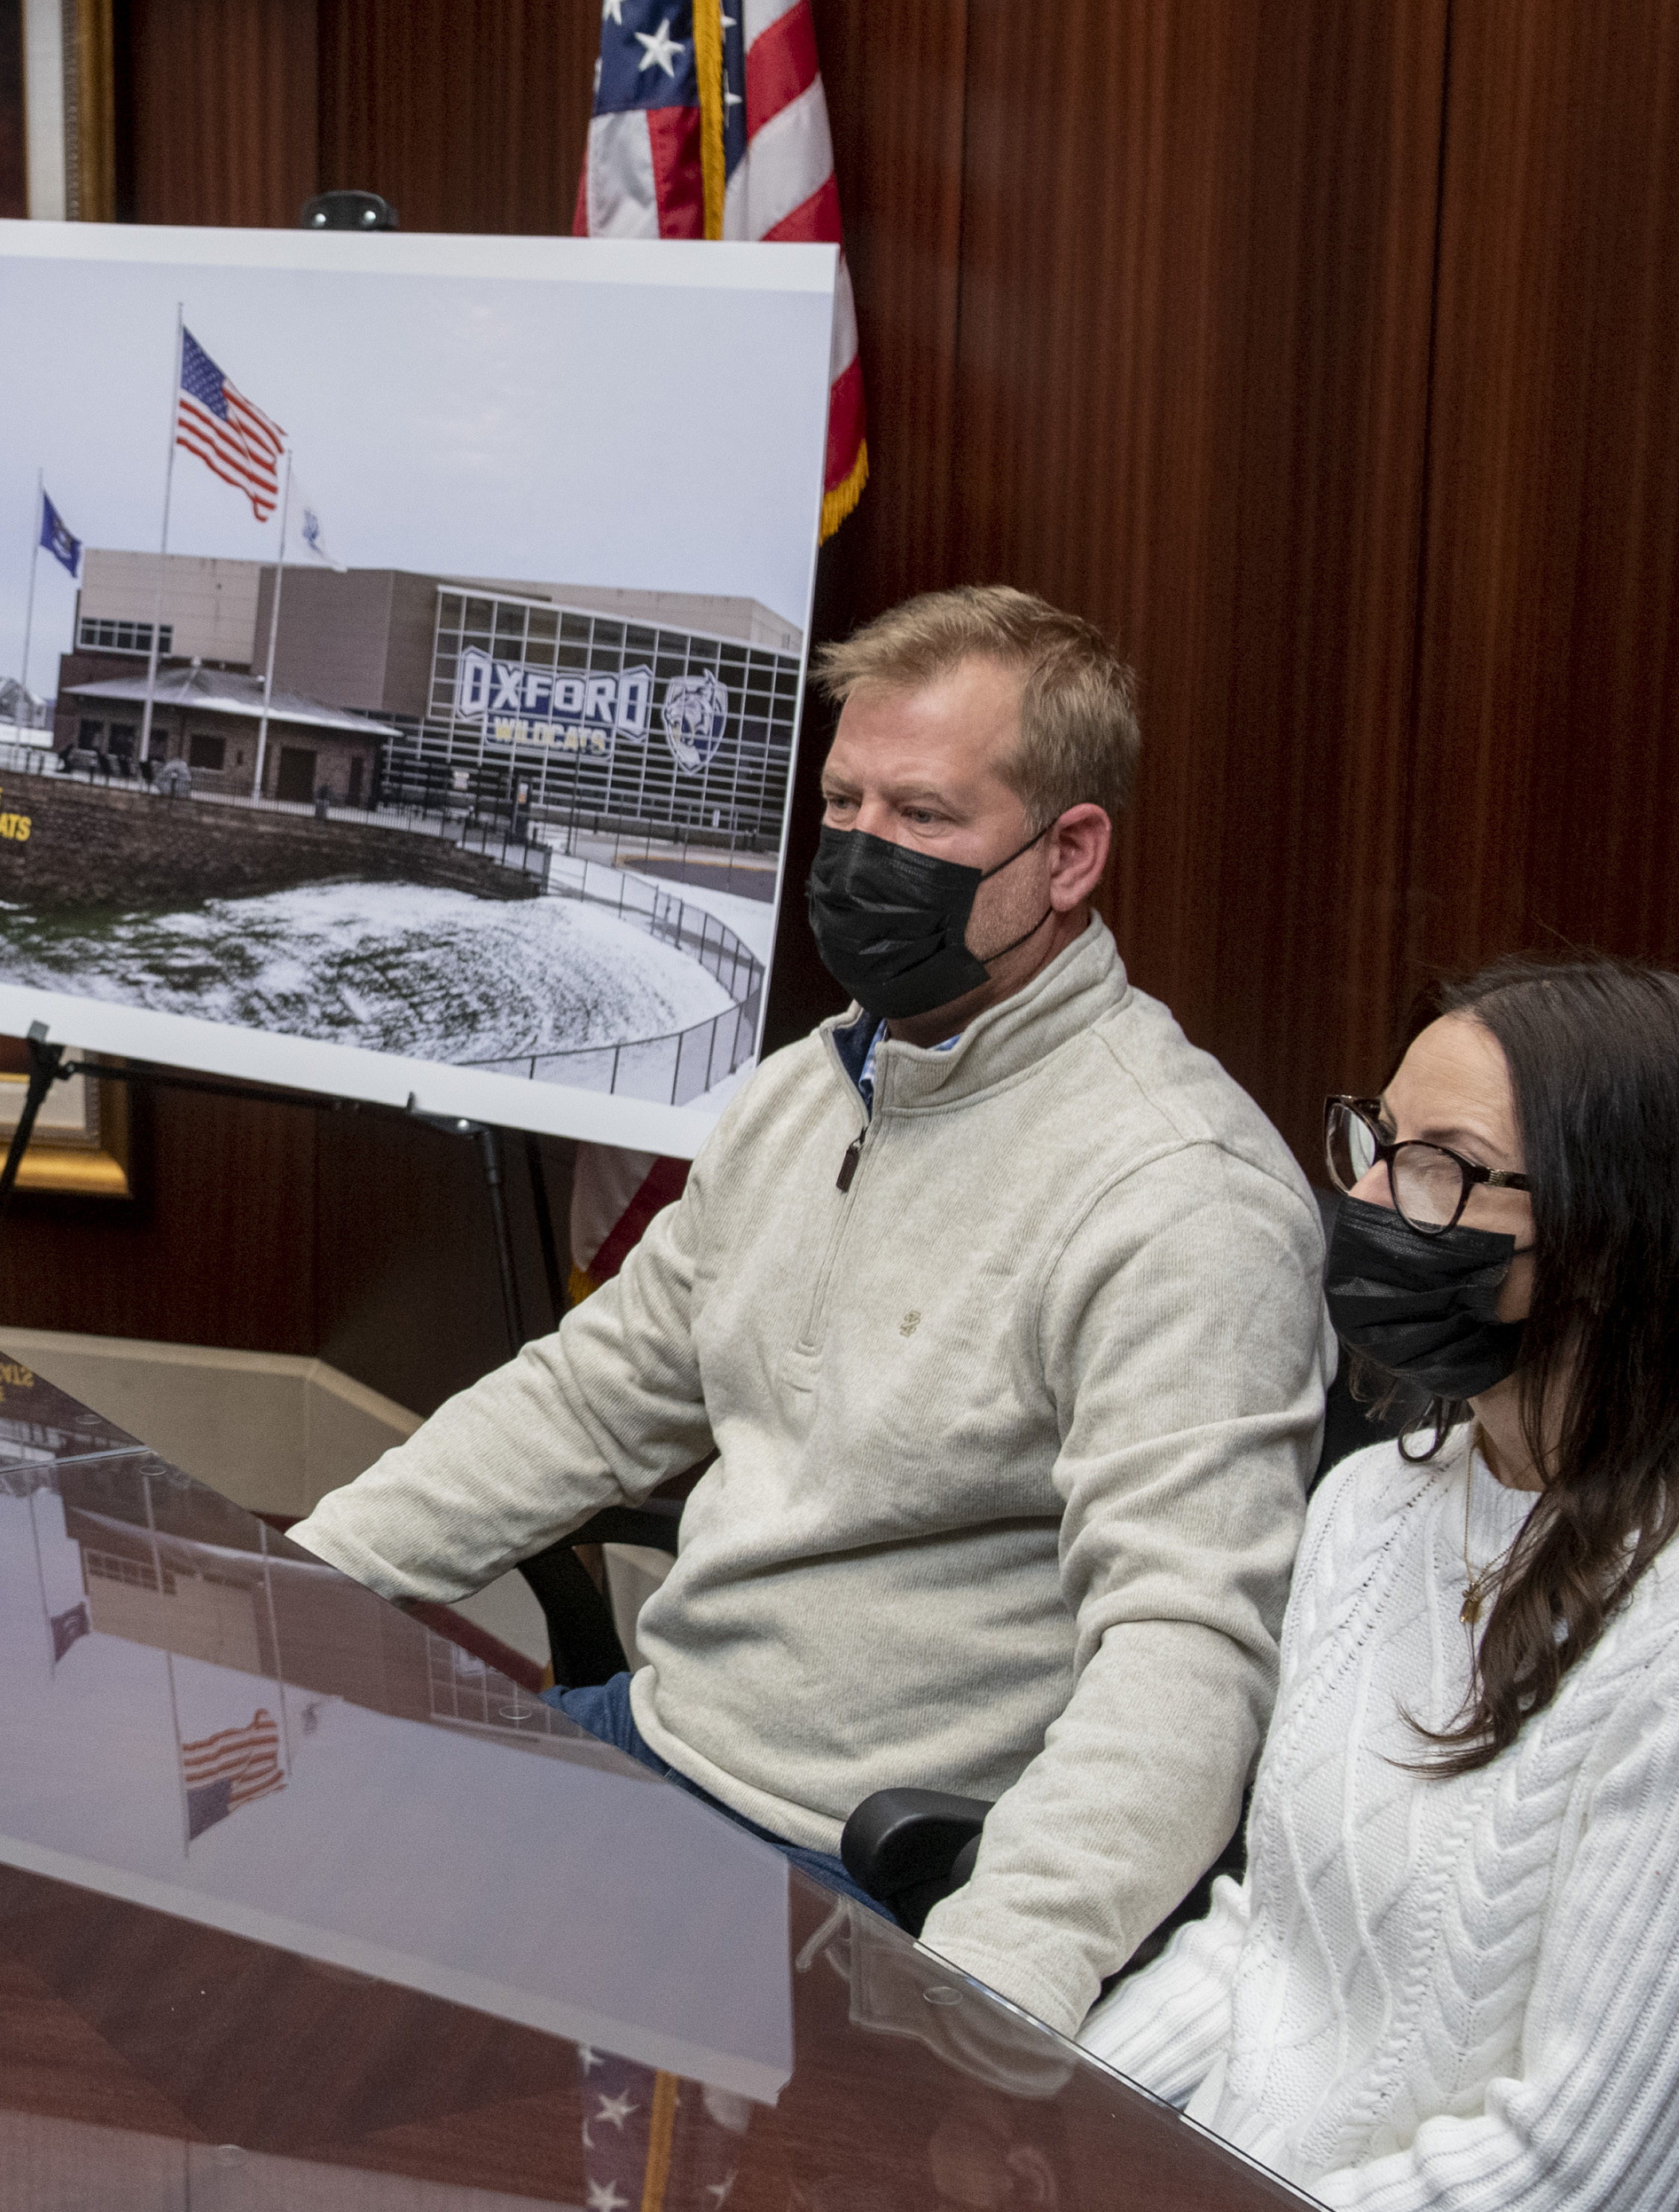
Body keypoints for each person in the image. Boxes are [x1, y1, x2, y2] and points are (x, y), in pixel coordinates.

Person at [289, 585, 1326, 2034]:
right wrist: (292, 1589)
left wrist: (991, 1995)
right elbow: (593, 1398)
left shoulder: (1182, 1195)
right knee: (264, 1909)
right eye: (843, 804)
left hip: (858, 1865)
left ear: (1069, 852)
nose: (858, 856)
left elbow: (1185, 1652)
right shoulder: (808, 1087)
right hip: (651, 1740)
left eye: (921, 816)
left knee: (400, 2056)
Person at [1084, 959, 1679, 2212]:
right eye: (1372, 1142)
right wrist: (1058, 2141)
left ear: (1618, 1237)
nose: (1366, 1200)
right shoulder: (1373, 1502)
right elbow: (1272, 1942)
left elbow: (1569, 2185)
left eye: (1444, 1170)